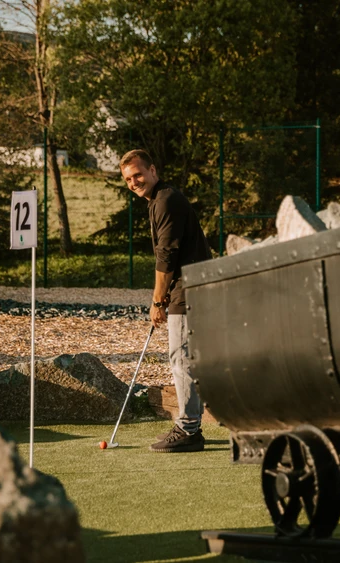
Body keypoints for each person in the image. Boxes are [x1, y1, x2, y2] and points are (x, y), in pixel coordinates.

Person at [119, 149, 212, 453]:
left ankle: (188, 429)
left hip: (189, 287)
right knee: (184, 357)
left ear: (153, 170)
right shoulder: (159, 201)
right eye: (129, 179)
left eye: (138, 175)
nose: (134, 182)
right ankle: (190, 425)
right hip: (187, 286)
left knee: (182, 357)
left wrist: (157, 301)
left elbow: (167, 254)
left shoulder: (167, 200)